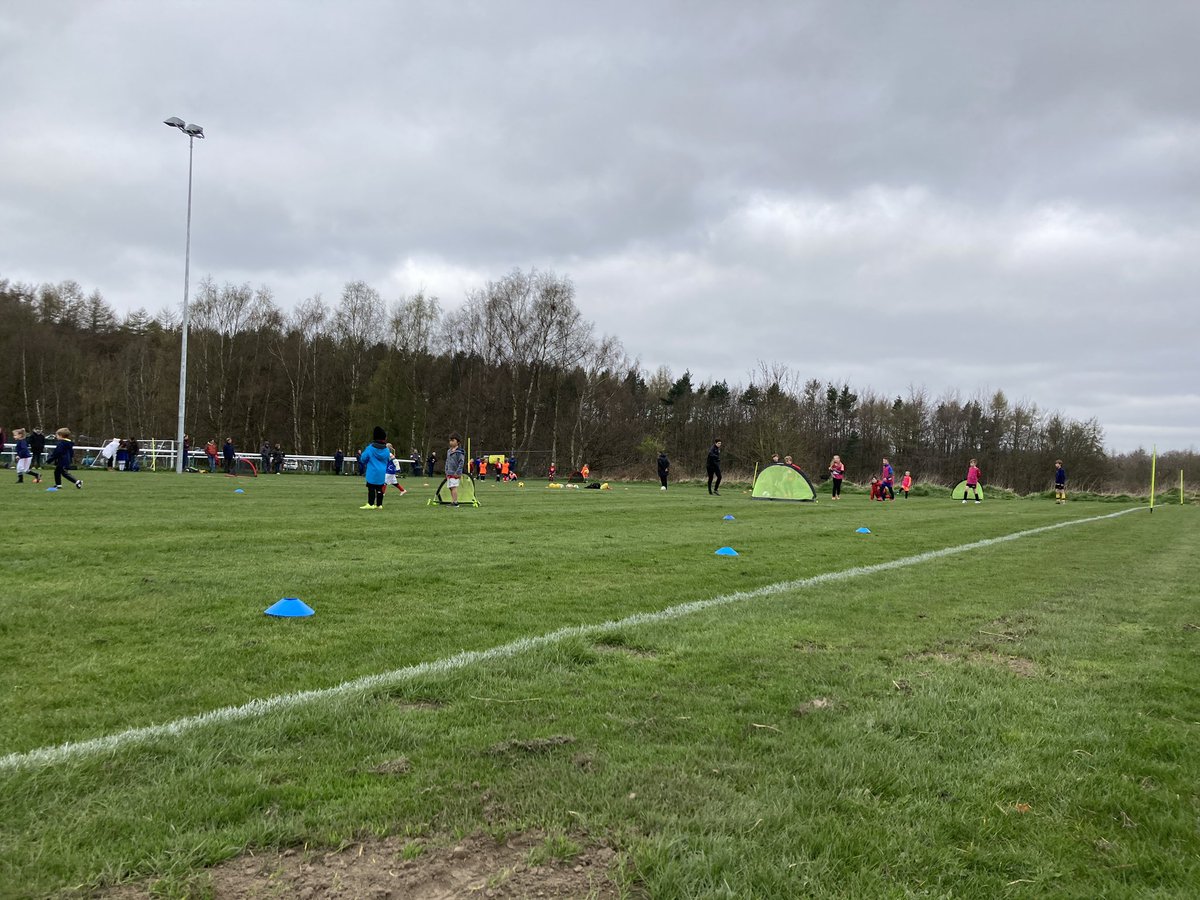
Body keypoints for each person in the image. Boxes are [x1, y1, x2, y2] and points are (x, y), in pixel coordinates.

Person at [360, 426, 391, 509]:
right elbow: (388, 460)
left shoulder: (370, 448)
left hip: (372, 471)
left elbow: (363, 458)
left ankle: (370, 504)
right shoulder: (387, 450)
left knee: (371, 487)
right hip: (382, 471)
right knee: (380, 488)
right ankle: (379, 504)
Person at [445, 432, 466, 506]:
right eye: (450, 440)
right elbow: (447, 461)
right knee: (450, 487)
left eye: (453, 440)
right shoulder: (449, 451)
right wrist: (446, 471)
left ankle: (455, 502)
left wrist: (458, 472)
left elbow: (461, 463)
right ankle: (453, 501)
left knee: (454, 487)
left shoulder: (459, 452)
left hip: (455, 473)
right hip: (449, 473)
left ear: (458, 442)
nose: (451, 442)